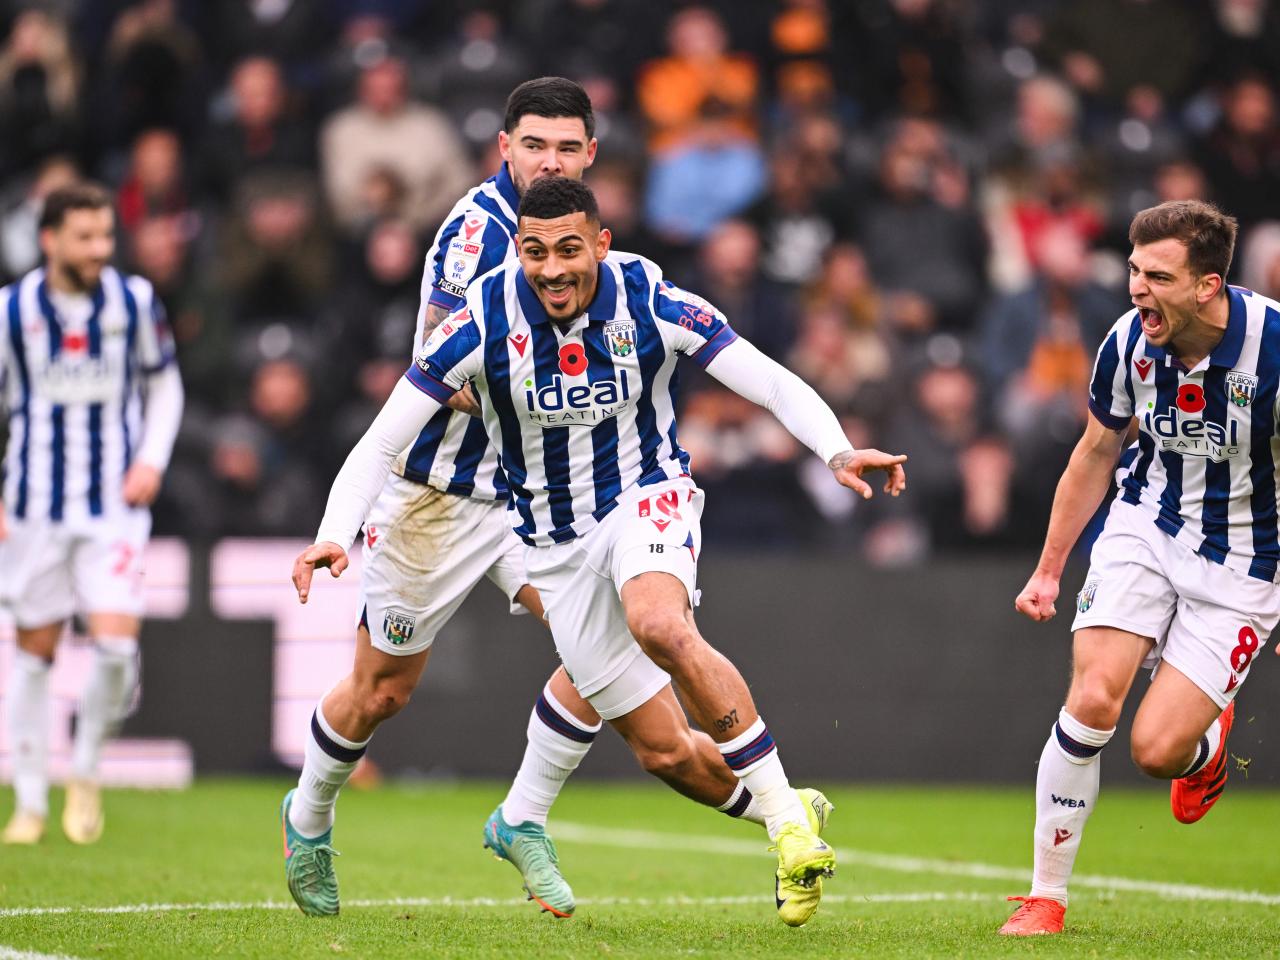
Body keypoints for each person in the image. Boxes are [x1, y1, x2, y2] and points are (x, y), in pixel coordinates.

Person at [279, 78, 832, 924]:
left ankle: (536, 813)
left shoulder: (582, 240)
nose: (550, 161)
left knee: (648, 706)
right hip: (441, 494)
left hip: (548, 498)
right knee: (381, 690)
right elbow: (438, 364)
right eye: (535, 145)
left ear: (591, 158)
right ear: (505, 148)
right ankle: (309, 819)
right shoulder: (479, 234)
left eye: (567, 148)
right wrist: (338, 524)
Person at [1000, 199, 1280, 936]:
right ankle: (1045, 897)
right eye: (1132, 270)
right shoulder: (1128, 341)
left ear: (1207, 287)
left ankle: (1204, 743)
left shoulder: (1276, 347)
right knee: (1093, 698)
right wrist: (1049, 569)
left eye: (1157, 275)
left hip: (1250, 562)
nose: (1135, 289)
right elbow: (1095, 453)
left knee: (1157, 753)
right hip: (1144, 527)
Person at [0, 182, 184, 845]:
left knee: (114, 648)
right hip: (33, 507)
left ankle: (83, 770)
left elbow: (164, 382)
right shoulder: (11, 310)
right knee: (35, 653)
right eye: (84, 237)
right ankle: (27, 803)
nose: (99, 249)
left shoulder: (133, 302)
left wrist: (151, 460)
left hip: (112, 507)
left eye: (106, 236)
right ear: (49, 240)